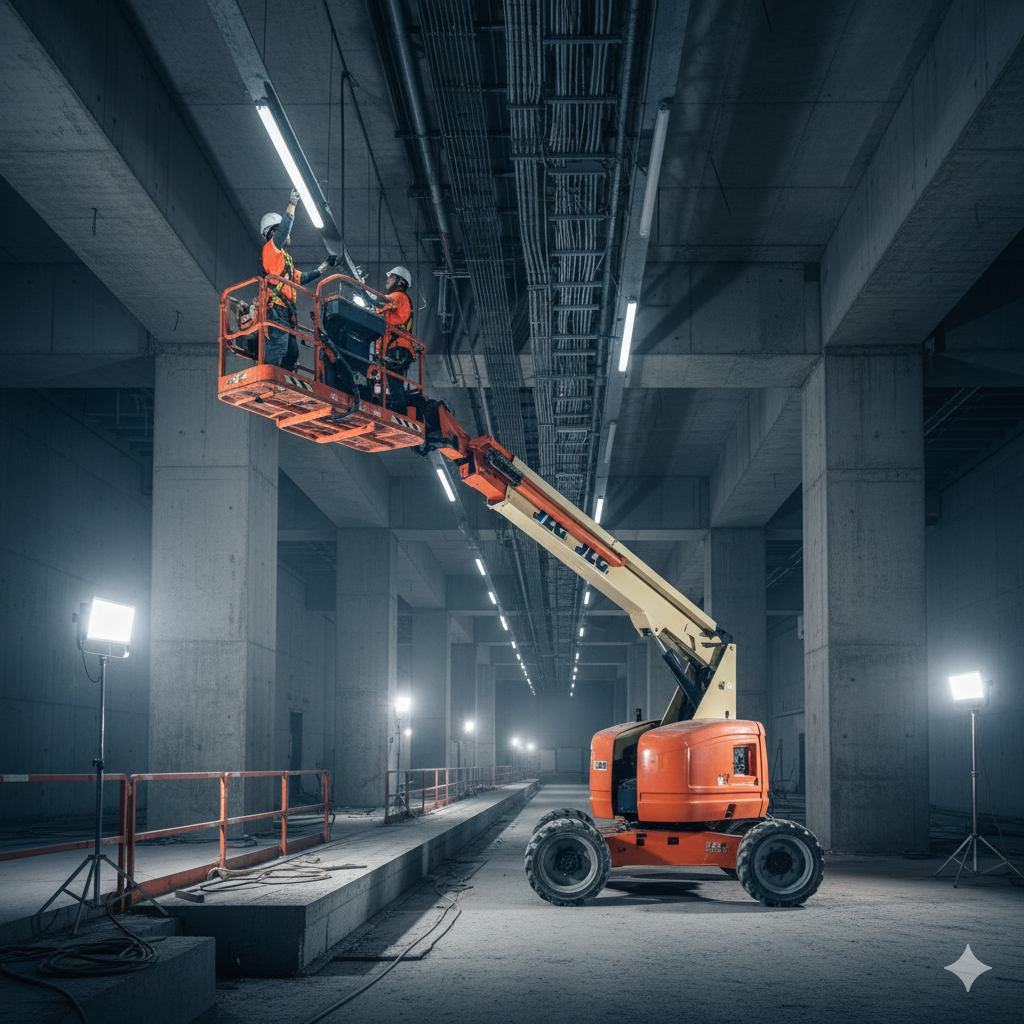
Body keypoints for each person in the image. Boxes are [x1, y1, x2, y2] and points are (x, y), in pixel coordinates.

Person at [259, 188, 338, 369]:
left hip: (286, 312)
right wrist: (292, 204)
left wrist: (324, 267)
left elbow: (300, 278)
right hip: (275, 309)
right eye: (281, 231)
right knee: (277, 350)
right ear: (273, 232)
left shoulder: (283, 258)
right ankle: (270, 379)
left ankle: (282, 382)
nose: (287, 235)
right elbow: (285, 228)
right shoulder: (271, 249)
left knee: (292, 352)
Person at [376, 266, 416, 408]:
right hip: (397, 346)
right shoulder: (400, 299)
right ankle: (398, 410)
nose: (387, 280)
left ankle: (400, 412)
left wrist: (367, 297)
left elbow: (379, 304)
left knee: (394, 381)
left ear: (400, 282)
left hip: (396, 346)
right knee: (394, 381)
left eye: (391, 277)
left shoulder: (399, 296)